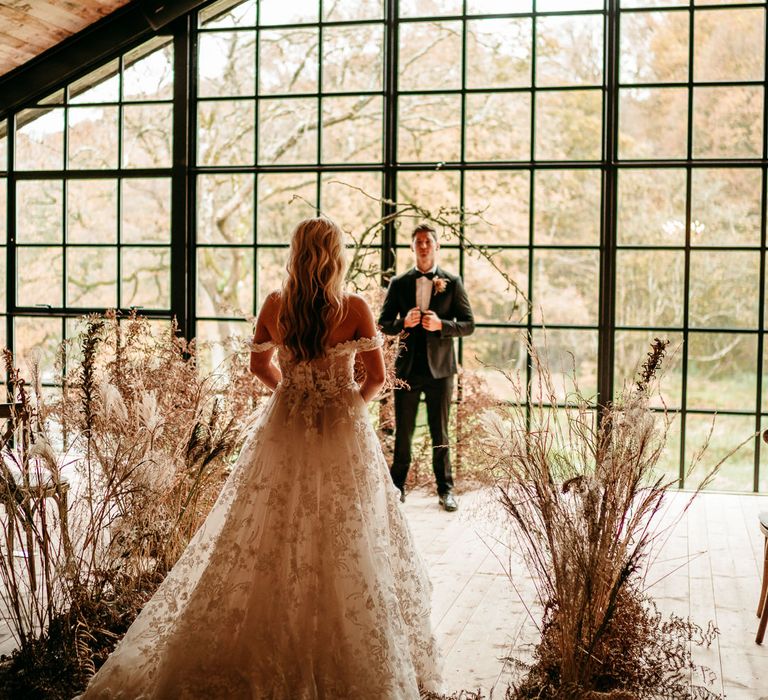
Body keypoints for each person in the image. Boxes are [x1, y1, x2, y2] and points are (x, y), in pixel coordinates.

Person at [80, 217, 442, 699]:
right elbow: (376, 377)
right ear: (335, 254)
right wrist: (344, 403)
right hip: (341, 430)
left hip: (286, 423)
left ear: (297, 252)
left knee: (271, 525)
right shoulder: (353, 306)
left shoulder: (276, 304)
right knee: (350, 530)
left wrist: (291, 392)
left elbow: (258, 365)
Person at [378, 223, 475, 512]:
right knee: (404, 432)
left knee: (440, 433)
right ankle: (397, 488)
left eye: (428, 242)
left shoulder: (453, 282)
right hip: (407, 370)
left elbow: (468, 325)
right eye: (418, 242)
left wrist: (442, 325)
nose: (423, 246)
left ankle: (446, 490)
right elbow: (383, 324)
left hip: (441, 372)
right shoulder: (399, 283)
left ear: (436, 247)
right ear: (412, 247)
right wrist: (401, 324)